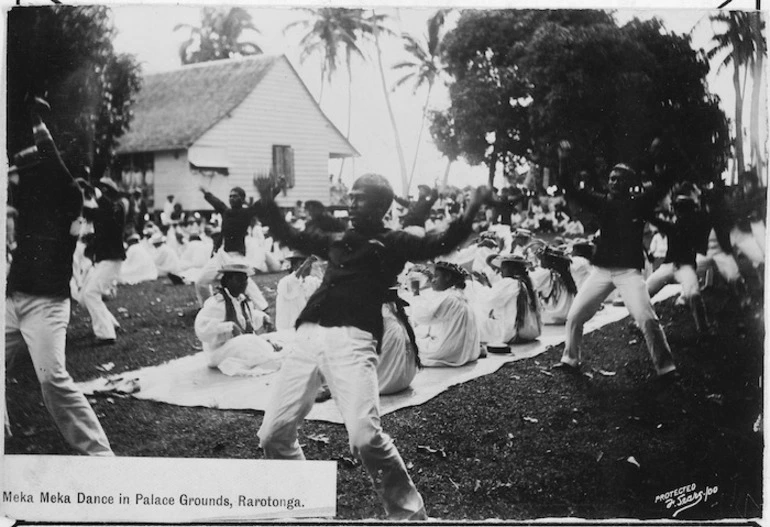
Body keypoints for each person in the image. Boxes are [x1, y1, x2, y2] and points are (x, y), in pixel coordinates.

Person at [253, 172, 492, 520]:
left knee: (364, 438)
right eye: (350, 195)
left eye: (359, 197)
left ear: (381, 205)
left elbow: (436, 244)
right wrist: (268, 202)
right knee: (271, 435)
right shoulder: (337, 236)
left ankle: (410, 515)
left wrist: (470, 211)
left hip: (354, 339)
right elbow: (291, 236)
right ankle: (305, 506)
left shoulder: (393, 241)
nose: (350, 202)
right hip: (309, 336)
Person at [5, 96, 113, 455]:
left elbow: (48, 157)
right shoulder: (29, 197)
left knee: (52, 381)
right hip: (11, 298)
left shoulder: (69, 197)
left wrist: (36, 118)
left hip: (47, 305)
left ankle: (100, 454)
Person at [553, 141, 676, 379]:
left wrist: (659, 156)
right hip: (601, 272)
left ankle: (666, 367)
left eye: (621, 179)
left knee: (647, 319)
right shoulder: (601, 202)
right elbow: (570, 187)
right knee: (575, 316)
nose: (615, 182)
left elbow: (663, 183)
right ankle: (570, 359)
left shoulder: (639, 203)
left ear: (630, 185)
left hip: (629, 273)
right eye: (612, 178)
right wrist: (563, 159)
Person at [194, 263, 280, 377]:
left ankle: (266, 351)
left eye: (245, 280)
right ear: (228, 281)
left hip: (237, 344)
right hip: (218, 350)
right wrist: (229, 327)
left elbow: (248, 317)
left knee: (260, 340)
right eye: (239, 280)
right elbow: (201, 327)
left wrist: (263, 318)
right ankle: (266, 352)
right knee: (249, 341)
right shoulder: (216, 303)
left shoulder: (242, 301)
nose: (243, 284)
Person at [195, 185, 273, 308]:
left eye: (235, 196)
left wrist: (277, 189)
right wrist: (206, 192)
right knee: (200, 282)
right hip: (222, 254)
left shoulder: (246, 213)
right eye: (230, 196)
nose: (231, 199)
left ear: (242, 199)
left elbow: (261, 203)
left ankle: (263, 307)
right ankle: (207, 307)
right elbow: (216, 202)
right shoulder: (226, 212)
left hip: (236, 256)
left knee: (245, 282)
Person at [646, 195, 713, 334]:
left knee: (694, 295)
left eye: (683, 210)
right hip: (669, 266)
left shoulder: (692, 227)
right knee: (644, 292)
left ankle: (704, 329)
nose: (680, 213)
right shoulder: (678, 225)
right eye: (678, 209)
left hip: (685, 268)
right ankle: (638, 322)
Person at [79, 175, 127, 345]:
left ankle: (106, 334)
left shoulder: (118, 207)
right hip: (105, 260)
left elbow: (106, 213)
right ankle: (111, 324)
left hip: (112, 260)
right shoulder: (104, 210)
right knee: (84, 296)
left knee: (91, 293)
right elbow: (89, 213)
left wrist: (94, 191)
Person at [411, 261, 481, 367]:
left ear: (447, 277)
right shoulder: (458, 295)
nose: (432, 281)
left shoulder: (450, 298)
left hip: (448, 351)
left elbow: (422, 317)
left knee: (406, 344)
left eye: (436, 277)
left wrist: (415, 292)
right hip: (464, 351)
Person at [476, 254, 542, 345]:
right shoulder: (528, 281)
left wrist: (482, 284)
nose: (501, 272)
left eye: (503, 268)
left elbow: (488, 299)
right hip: (530, 331)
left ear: (513, 269)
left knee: (478, 319)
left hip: (513, 333)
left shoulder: (509, 283)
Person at [529, 247, 577, 325]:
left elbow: (530, 283)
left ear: (548, 261)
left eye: (542, 259)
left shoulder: (545, 273)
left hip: (550, 317)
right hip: (566, 316)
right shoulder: (566, 275)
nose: (540, 262)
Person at [275, 253, 322, 332]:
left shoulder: (310, 281)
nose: (308, 267)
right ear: (294, 266)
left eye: (309, 264)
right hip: (287, 331)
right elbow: (293, 281)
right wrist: (304, 265)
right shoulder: (285, 282)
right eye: (302, 263)